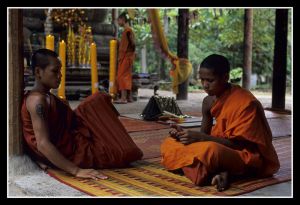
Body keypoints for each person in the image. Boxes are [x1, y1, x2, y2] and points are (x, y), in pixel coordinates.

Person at [160, 54, 280, 191]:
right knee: (169, 144)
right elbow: (203, 137)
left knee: (211, 151)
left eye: (210, 80)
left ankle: (207, 170)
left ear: (225, 77)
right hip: (218, 148)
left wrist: (201, 138)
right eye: (202, 80)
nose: (205, 85)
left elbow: (241, 146)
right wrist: (183, 135)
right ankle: (220, 171)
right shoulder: (207, 102)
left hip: (243, 154)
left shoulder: (246, 103)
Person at [21, 49, 143, 180]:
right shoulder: (37, 101)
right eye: (55, 71)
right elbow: (42, 144)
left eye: (60, 71)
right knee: (125, 153)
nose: (60, 75)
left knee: (98, 100)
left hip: (73, 138)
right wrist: (76, 171)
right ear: (38, 72)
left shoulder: (44, 96)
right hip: (74, 152)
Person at [114, 12, 136, 104]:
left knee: (121, 76)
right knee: (127, 76)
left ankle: (123, 98)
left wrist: (131, 52)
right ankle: (129, 97)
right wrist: (119, 42)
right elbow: (127, 44)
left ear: (122, 19)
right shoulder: (126, 30)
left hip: (127, 57)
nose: (118, 22)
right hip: (127, 56)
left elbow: (133, 43)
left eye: (118, 20)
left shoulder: (128, 30)